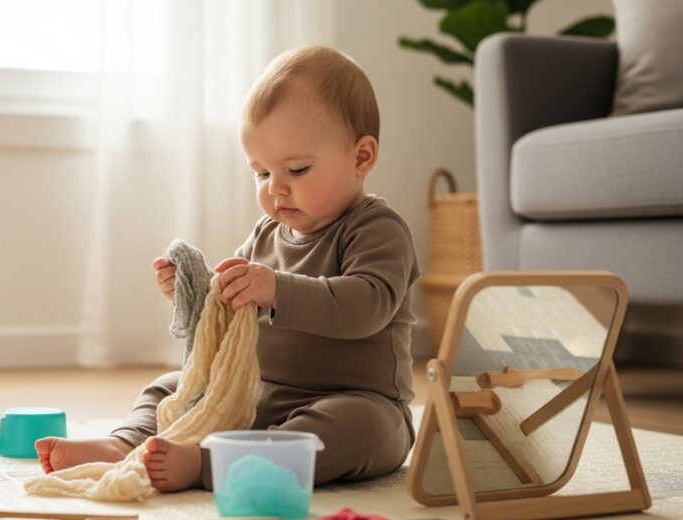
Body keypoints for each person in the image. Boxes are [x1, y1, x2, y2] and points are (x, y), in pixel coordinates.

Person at [35, 45, 419, 492]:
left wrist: (276, 288)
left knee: (357, 427)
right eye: (261, 173)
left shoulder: (377, 229)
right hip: (254, 391)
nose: (275, 189)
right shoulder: (265, 233)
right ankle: (127, 444)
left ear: (361, 157)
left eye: (296, 169)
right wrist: (194, 293)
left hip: (352, 399)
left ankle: (206, 465)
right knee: (169, 386)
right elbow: (230, 306)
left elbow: (365, 306)